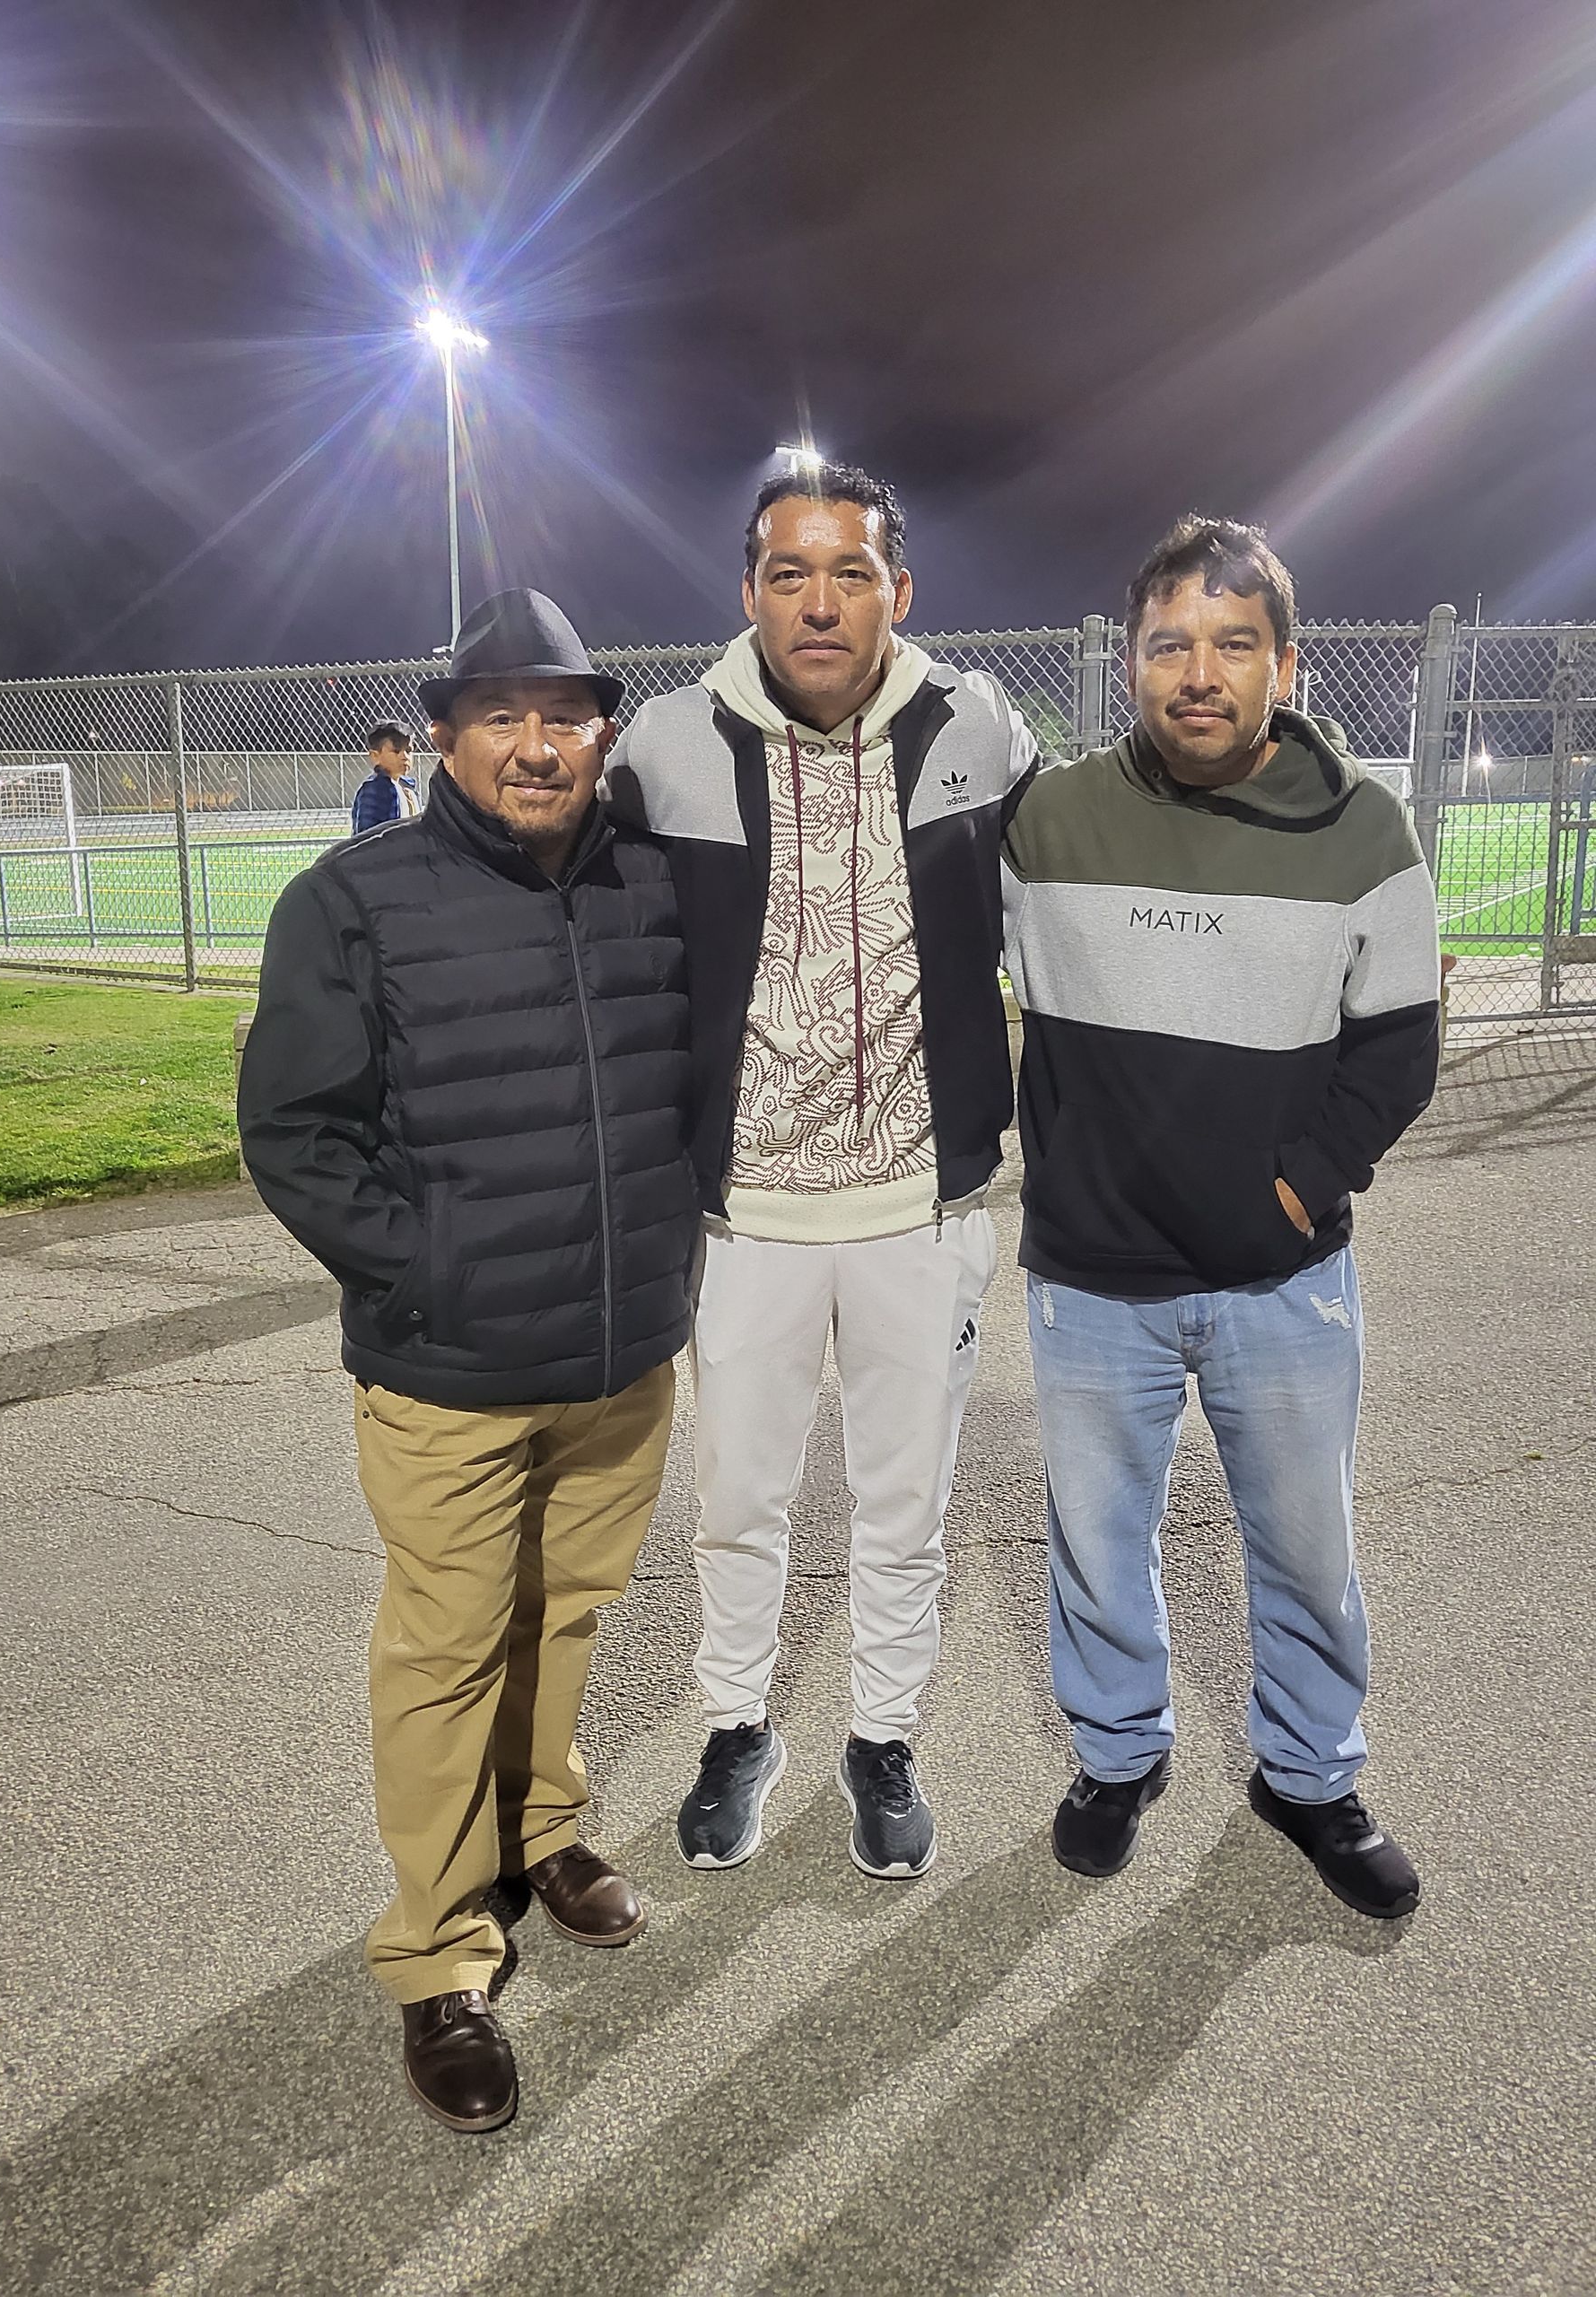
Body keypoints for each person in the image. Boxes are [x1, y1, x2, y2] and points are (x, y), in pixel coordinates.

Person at [238, 589, 699, 2133]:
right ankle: (439, 1958)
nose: (536, 742)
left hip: (621, 1356)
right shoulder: (354, 899)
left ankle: (540, 1828)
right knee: (447, 1656)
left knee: (566, 1618)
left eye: (564, 714)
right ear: (443, 736)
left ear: (602, 733)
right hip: (448, 1369)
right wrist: (422, 1270)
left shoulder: (653, 880)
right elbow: (294, 1135)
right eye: (500, 713)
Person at [1002, 515, 1441, 1918]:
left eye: (1232, 644)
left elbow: (1400, 1047)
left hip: (1283, 1275)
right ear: (1131, 662)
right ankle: (1118, 1755)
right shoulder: (1047, 817)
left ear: (1284, 662)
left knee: (1306, 1541)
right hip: (1094, 1275)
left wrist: (1299, 1184)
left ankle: (1309, 1777)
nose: (1201, 672)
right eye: (1171, 643)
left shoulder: (1366, 828)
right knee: (1093, 1537)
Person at [606, 463, 1036, 1881]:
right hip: (745, 1215)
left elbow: (1065, 883)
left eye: (849, 572)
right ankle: (738, 1728)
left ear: (897, 593)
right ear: (749, 595)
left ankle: (882, 1739)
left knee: (905, 1504)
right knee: (741, 1499)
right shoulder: (667, 743)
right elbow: (578, 926)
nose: (819, 601)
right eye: (789, 573)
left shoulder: (974, 722)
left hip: (923, 1203)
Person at [351, 720, 421, 832]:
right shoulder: (374, 789)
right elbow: (366, 836)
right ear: (375, 756)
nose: (404, 756)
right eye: (396, 751)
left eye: (408, 750)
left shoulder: (409, 788)